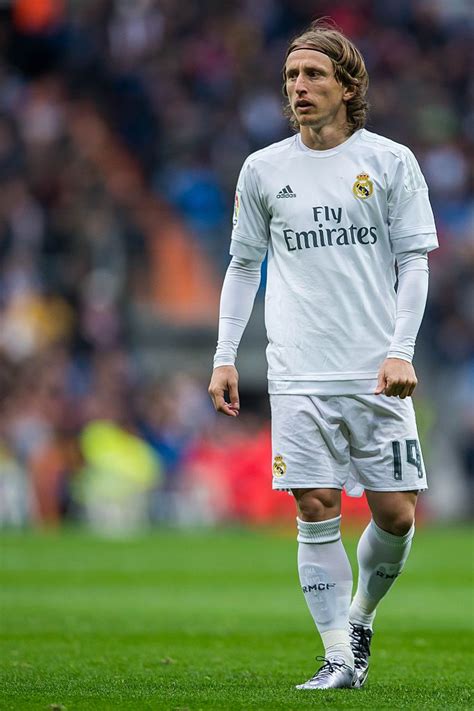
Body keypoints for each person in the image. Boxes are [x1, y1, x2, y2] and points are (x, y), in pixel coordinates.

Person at [208, 20, 438, 691]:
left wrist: (401, 350)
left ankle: (361, 615)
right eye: (291, 77)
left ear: (348, 85)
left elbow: (415, 265)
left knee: (396, 514)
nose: (299, 87)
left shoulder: (390, 162)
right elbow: (243, 265)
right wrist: (225, 355)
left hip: (377, 372)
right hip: (297, 372)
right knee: (314, 505)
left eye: (313, 75)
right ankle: (338, 654)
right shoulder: (263, 170)